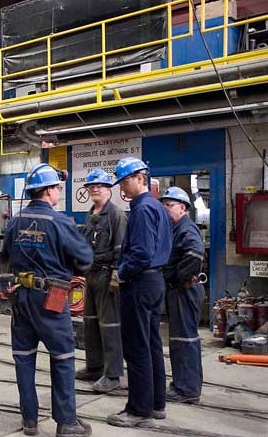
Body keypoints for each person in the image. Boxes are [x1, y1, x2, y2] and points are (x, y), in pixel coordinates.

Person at [3, 164, 93, 437]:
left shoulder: (15, 221)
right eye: (57, 188)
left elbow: (7, 253)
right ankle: (66, 423)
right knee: (63, 357)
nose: (58, 193)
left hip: (21, 297)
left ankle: (29, 420)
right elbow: (86, 260)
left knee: (24, 358)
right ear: (49, 190)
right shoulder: (61, 222)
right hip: (51, 299)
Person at [107, 157, 172, 428]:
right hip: (155, 282)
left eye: (126, 180)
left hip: (139, 283)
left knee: (136, 348)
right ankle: (157, 403)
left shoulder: (143, 209)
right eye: (121, 182)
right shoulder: (157, 208)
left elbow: (142, 253)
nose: (123, 186)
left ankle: (138, 409)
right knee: (152, 345)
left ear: (140, 178)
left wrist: (121, 271)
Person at [76, 168, 127, 393]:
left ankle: (114, 374)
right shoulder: (90, 214)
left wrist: (116, 276)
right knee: (90, 322)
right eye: (91, 186)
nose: (95, 189)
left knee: (110, 325)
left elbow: (121, 249)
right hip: (91, 275)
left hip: (108, 277)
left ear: (109, 189)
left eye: (99, 186)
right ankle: (95, 367)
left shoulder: (116, 215)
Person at [160, 187, 205, 404]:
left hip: (184, 290)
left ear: (183, 208)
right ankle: (182, 384)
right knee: (179, 338)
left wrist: (177, 277)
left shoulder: (186, 229)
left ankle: (187, 390)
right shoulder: (174, 229)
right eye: (164, 205)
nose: (166, 209)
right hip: (178, 289)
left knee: (184, 339)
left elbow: (195, 254)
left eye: (170, 206)